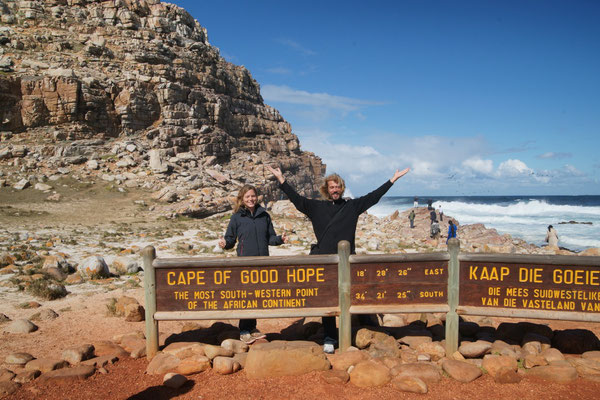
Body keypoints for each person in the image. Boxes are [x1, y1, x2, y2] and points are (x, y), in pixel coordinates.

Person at [267, 164, 410, 353]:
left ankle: (365, 331)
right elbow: (297, 200)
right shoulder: (316, 207)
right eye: (332, 187)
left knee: (353, 296)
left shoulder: (352, 206)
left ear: (342, 188)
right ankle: (329, 338)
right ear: (327, 190)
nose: (335, 190)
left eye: (338, 187)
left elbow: (374, 197)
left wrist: (392, 180)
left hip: (347, 263)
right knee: (329, 301)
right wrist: (281, 180)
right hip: (326, 263)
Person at [218, 184, 288, 344]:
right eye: (247, 197)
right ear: (242, 199)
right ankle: (244, 330)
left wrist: (280, 240)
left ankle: (252, 328)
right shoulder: (236, 217)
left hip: (262, 262)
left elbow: (270, 238)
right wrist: (224, 244)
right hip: (244, 263)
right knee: (246, 296)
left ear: (257, 198)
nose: (251, 199)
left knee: (257, 296)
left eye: (253, 196)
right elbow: (230, 239)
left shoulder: (264, 215)